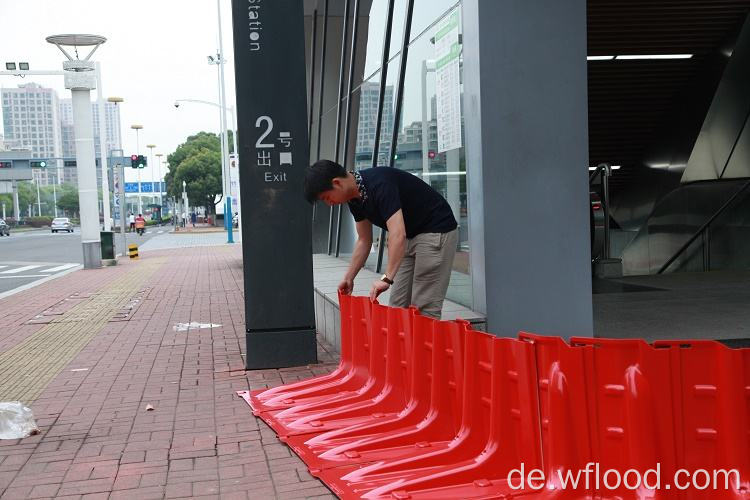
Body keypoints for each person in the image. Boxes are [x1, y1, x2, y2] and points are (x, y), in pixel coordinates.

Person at [304, 160, 458, 319]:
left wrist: (386, 278)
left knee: (424, 308)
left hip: (435, 229)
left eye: (326, 197)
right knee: (397, 305)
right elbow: (364, 240)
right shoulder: (355, 199)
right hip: (410, 235)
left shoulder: (380, 184)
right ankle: (402, 344)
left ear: (336, 183)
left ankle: (423, 343)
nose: (329, 204)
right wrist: (349, 277)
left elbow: (397, 234)